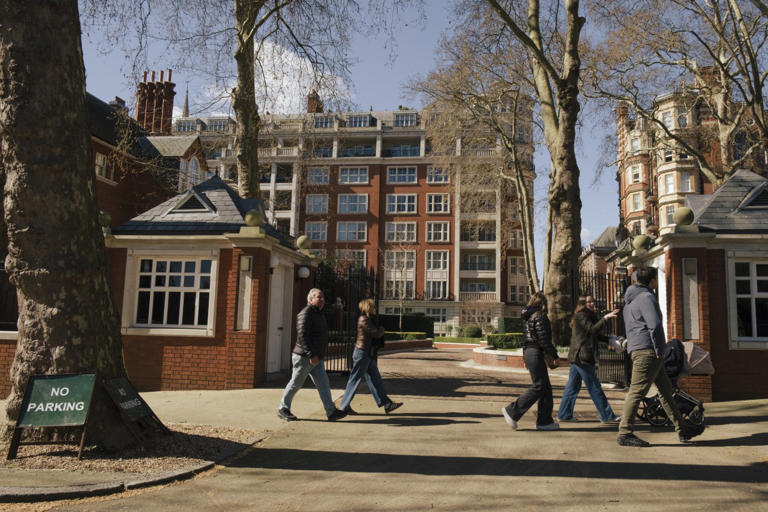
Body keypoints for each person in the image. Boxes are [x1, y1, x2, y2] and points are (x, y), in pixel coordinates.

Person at [617, 267, 704, 446]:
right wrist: (659, 349)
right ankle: (625, 432)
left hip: (638, 349)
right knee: (636, 391)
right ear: (653, 280)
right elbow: (655, 326)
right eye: (657, 279)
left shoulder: (629, 302)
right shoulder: (647, 298)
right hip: (649, 351)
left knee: (666, 392)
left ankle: (683, 429)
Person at [277, 288, 347, 422]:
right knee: (296, 383)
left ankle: (331, 411)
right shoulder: (306, 313)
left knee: (324, 384)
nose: (322, 300)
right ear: (310, 299)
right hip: (305, 357)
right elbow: (303, 336)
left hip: (316, 358)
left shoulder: (319, 314)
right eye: (318, 297)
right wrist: (311, 355)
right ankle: (283, 408)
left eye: (323, 298)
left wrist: (317, 355)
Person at [557, 296, 621, 423]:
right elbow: (592, 330)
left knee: (572, 387)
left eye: (593, 301)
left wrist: (609, 339)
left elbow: (595, 334)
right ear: (583, 304)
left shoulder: (587, 316)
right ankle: (607, 416)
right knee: (594, 386)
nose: (592, 303)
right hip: (582, 357)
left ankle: (564, 414)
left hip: (577, 357)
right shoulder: (581, 316)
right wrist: (606, 318)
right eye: (589, 302)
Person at [502, 291, 560, 430]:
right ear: (543, 303)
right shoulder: (540, 316)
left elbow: (525, 339)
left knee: (545, 388)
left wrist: (524, 358)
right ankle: (512, 411)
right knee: (539, 386)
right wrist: (555, 356)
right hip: (535, 353)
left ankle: (544, 422)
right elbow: (544, 339)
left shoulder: (527, 317)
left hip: (530, 352)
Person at [338, 298, 403, 415]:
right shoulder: (364, 319)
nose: (375, 309)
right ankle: (344, 406)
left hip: (367, 353)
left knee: (375, 379)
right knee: (355, 380)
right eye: (373, 306)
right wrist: (382, 329)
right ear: (368, 307)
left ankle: (387, 404)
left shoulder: (368, 319)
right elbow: (376, 334)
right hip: (362, 354)